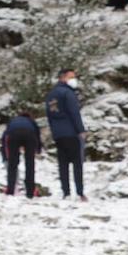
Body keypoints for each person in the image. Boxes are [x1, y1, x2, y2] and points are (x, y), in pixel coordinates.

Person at [45, 69, 87, 201]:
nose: (74, 80)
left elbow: (50, 116)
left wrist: (54, 132)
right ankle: (80, 192)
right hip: (71, 132)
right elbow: (74, 113)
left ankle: (66, 192)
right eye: (71, 77)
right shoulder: (68, 93)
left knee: (63, 164)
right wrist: (81, 130)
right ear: (63, 78)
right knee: (77, 163)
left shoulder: (51, 95)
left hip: (58, 134)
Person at [0, 112, 42, 198]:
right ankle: (30, 191)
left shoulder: (13, 121)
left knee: (12, 164)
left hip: (13, 134)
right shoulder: (31, 121)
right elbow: (37, 135)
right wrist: (38, 149)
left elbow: (5, 137)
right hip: (29, 134)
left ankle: (10, 190)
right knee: (30, 163)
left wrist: (5, 156)